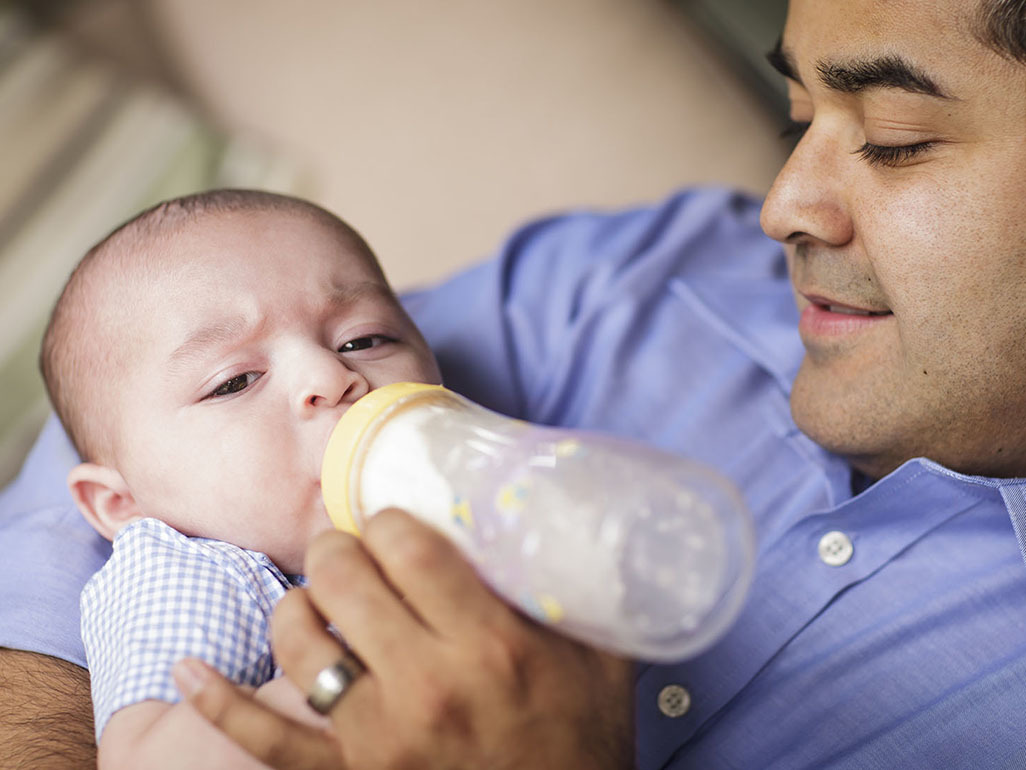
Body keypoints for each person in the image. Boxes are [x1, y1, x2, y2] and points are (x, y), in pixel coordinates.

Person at [3, 0, 1026, 765]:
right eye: (795, 118)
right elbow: (105, 433)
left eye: (897, 141)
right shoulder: (626, 280)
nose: (783, 206)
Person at [30, 188, 443, 768]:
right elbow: (151, 757)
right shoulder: (201, 568)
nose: (332, 374)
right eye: (234, 382)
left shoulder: (480, 490)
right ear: (122, 503)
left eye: (364, 340)